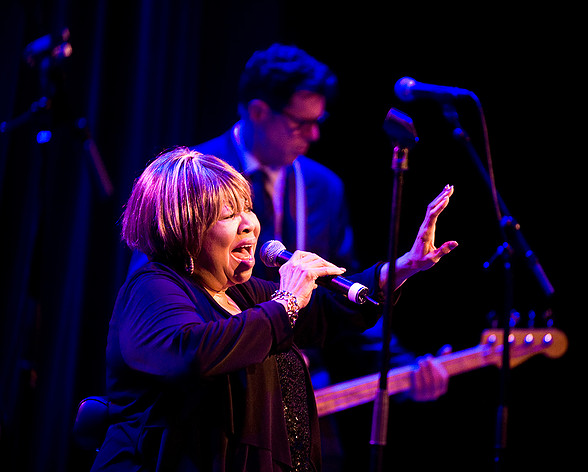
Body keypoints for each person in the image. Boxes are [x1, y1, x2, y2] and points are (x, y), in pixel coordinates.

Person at [91, 147, 457, 471]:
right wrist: (287, 302)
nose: (249, 224)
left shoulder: (244, 293)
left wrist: (405, 265)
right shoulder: (153, 286)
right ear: (186, 227)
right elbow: (191, 353)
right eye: (229, 214)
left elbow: (326, 312)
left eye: (248, 208)